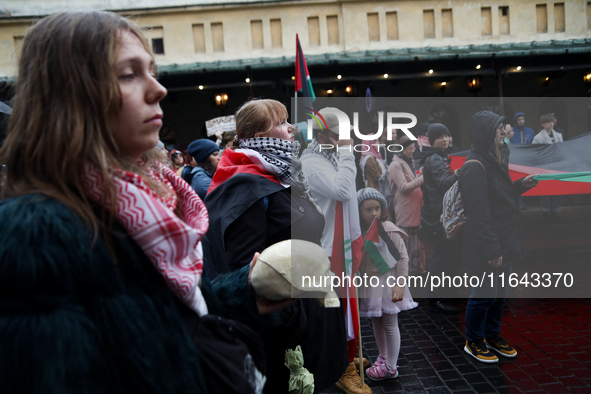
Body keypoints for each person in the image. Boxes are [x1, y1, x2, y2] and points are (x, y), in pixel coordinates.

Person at [0, 11, 291, 393]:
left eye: (151, 71)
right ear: (71, 97)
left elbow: (160, 313)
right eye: (129, 75)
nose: (158, 89)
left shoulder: (143, 199)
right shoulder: (35, 234)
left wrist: (242, 291)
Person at [204, 99, 349, 394]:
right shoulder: (247, 184)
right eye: (282, 123)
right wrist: (292, 322)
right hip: (289, 323)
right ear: (260, 136)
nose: (291, 128)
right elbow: (247, 269)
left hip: (311, 303)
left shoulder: (280, 173)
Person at [300, 107, 373, 394]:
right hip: (328, 248)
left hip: (342, 244)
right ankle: (342, 367)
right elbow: (343, 190)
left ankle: (347, 356)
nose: (347, 140)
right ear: (321, 135)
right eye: (339, 135)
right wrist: (346, 153)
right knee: (337, 309)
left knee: (346, 306)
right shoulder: (312, 161)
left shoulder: (331, 155)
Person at [460, 110, 538, 363]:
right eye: (498, 128)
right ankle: (474, 341)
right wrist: (493, 250)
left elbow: (498, 200)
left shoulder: (495, 159)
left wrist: (519, 187)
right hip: (489, 245)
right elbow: (479, 213)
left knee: (500, 294)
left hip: (505, 240)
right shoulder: (474, 166)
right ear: (486, 133)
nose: (504, 131)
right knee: (483, 295)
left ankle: (492, 335)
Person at [357, 188, 418, 381]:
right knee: (376, 322)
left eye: (377, 208)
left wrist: (400, 283)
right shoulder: (358, 231)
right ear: (359, 210)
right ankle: (383, 357)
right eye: (368, 209)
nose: (374, 213)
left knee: (390, 324)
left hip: (389, 281)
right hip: (371, 283)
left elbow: (402, 258)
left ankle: (391, 366)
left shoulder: (389, 229)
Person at [419, 123, 461, 314]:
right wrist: (461, 173)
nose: (445, 139)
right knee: (441, 257)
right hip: (440, 215)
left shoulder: (439, 156)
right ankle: (436, 299)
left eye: (447, 135)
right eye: (440, 136)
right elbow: (444, 184)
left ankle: (444, 295)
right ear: (432, 140)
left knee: (446, 255)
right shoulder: (435, 158)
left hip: (441, 213)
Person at [387, 136, 426, 274]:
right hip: (405, 208)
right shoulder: (395, 164)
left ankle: (415, 269)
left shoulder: (408, 161)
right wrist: (423, 178)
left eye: (413, 148)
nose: (412, 151)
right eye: (410, 148)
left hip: (413, 208)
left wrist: (418, 175)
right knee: (406, 240)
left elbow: (410, 180)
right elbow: (403, 186)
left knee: (415, 239)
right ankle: (405, 271)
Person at [532, 113, 564, 222]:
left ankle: (555, 211)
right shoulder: (537, 138)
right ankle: (545, 211)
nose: (551, 123)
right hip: (544, 167)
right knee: (546, 190)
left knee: (557, 189)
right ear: (542, 124)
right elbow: (535, 153)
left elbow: (562, 150)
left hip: (557, 166)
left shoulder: (559, 135)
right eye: (548, 122)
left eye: (552, 121)